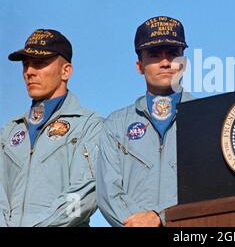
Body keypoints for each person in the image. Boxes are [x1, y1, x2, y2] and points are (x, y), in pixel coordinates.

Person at [96, 16, 194, 227]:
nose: (166, 62)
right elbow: (107, 191)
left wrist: (161, 217)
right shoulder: (115, 125)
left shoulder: (207, 117)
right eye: (154, 55)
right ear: (139, 65)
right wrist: (139, 222)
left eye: (173, 54)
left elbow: (209, 187)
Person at [0, 29, 103, 226]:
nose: (29, 72)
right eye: (25, 65)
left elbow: (87, 194)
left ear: (66, 71)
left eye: (39, 63)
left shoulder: (90, 126)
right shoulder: (9, 132)